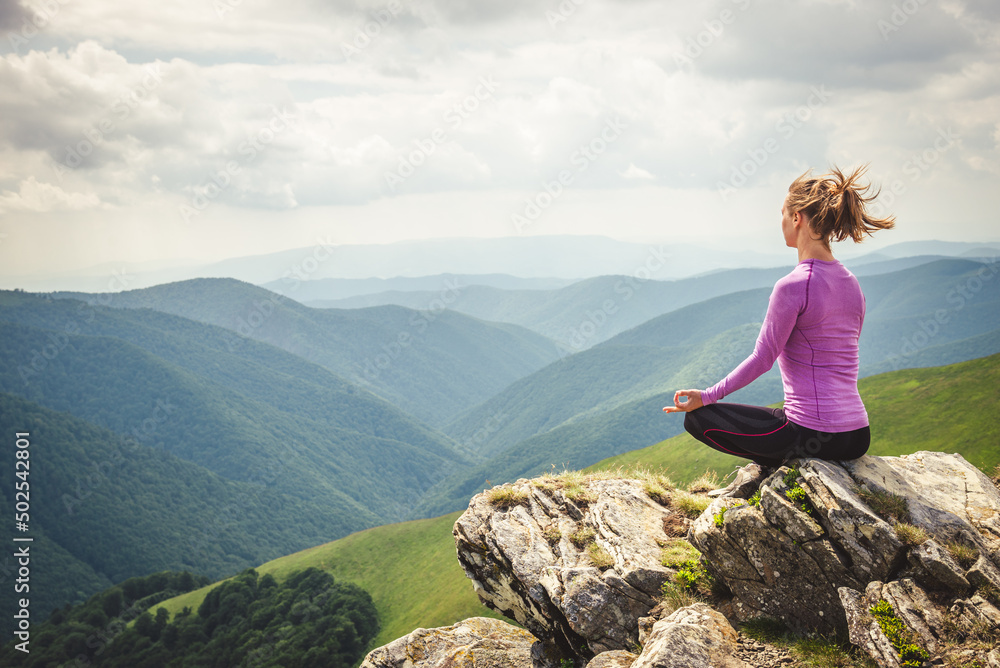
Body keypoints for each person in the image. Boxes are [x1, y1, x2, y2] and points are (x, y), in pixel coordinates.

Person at [663, 165, 895, 493]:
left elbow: (763, 359)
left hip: (813, 434)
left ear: (797, 217)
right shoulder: (851, 283)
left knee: (698, 420)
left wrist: (707, 396)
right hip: (857, 435)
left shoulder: (793, 285)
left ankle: (773, 465)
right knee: (777, 414)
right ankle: (772, 463)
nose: (782, 221)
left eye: (783, 213)